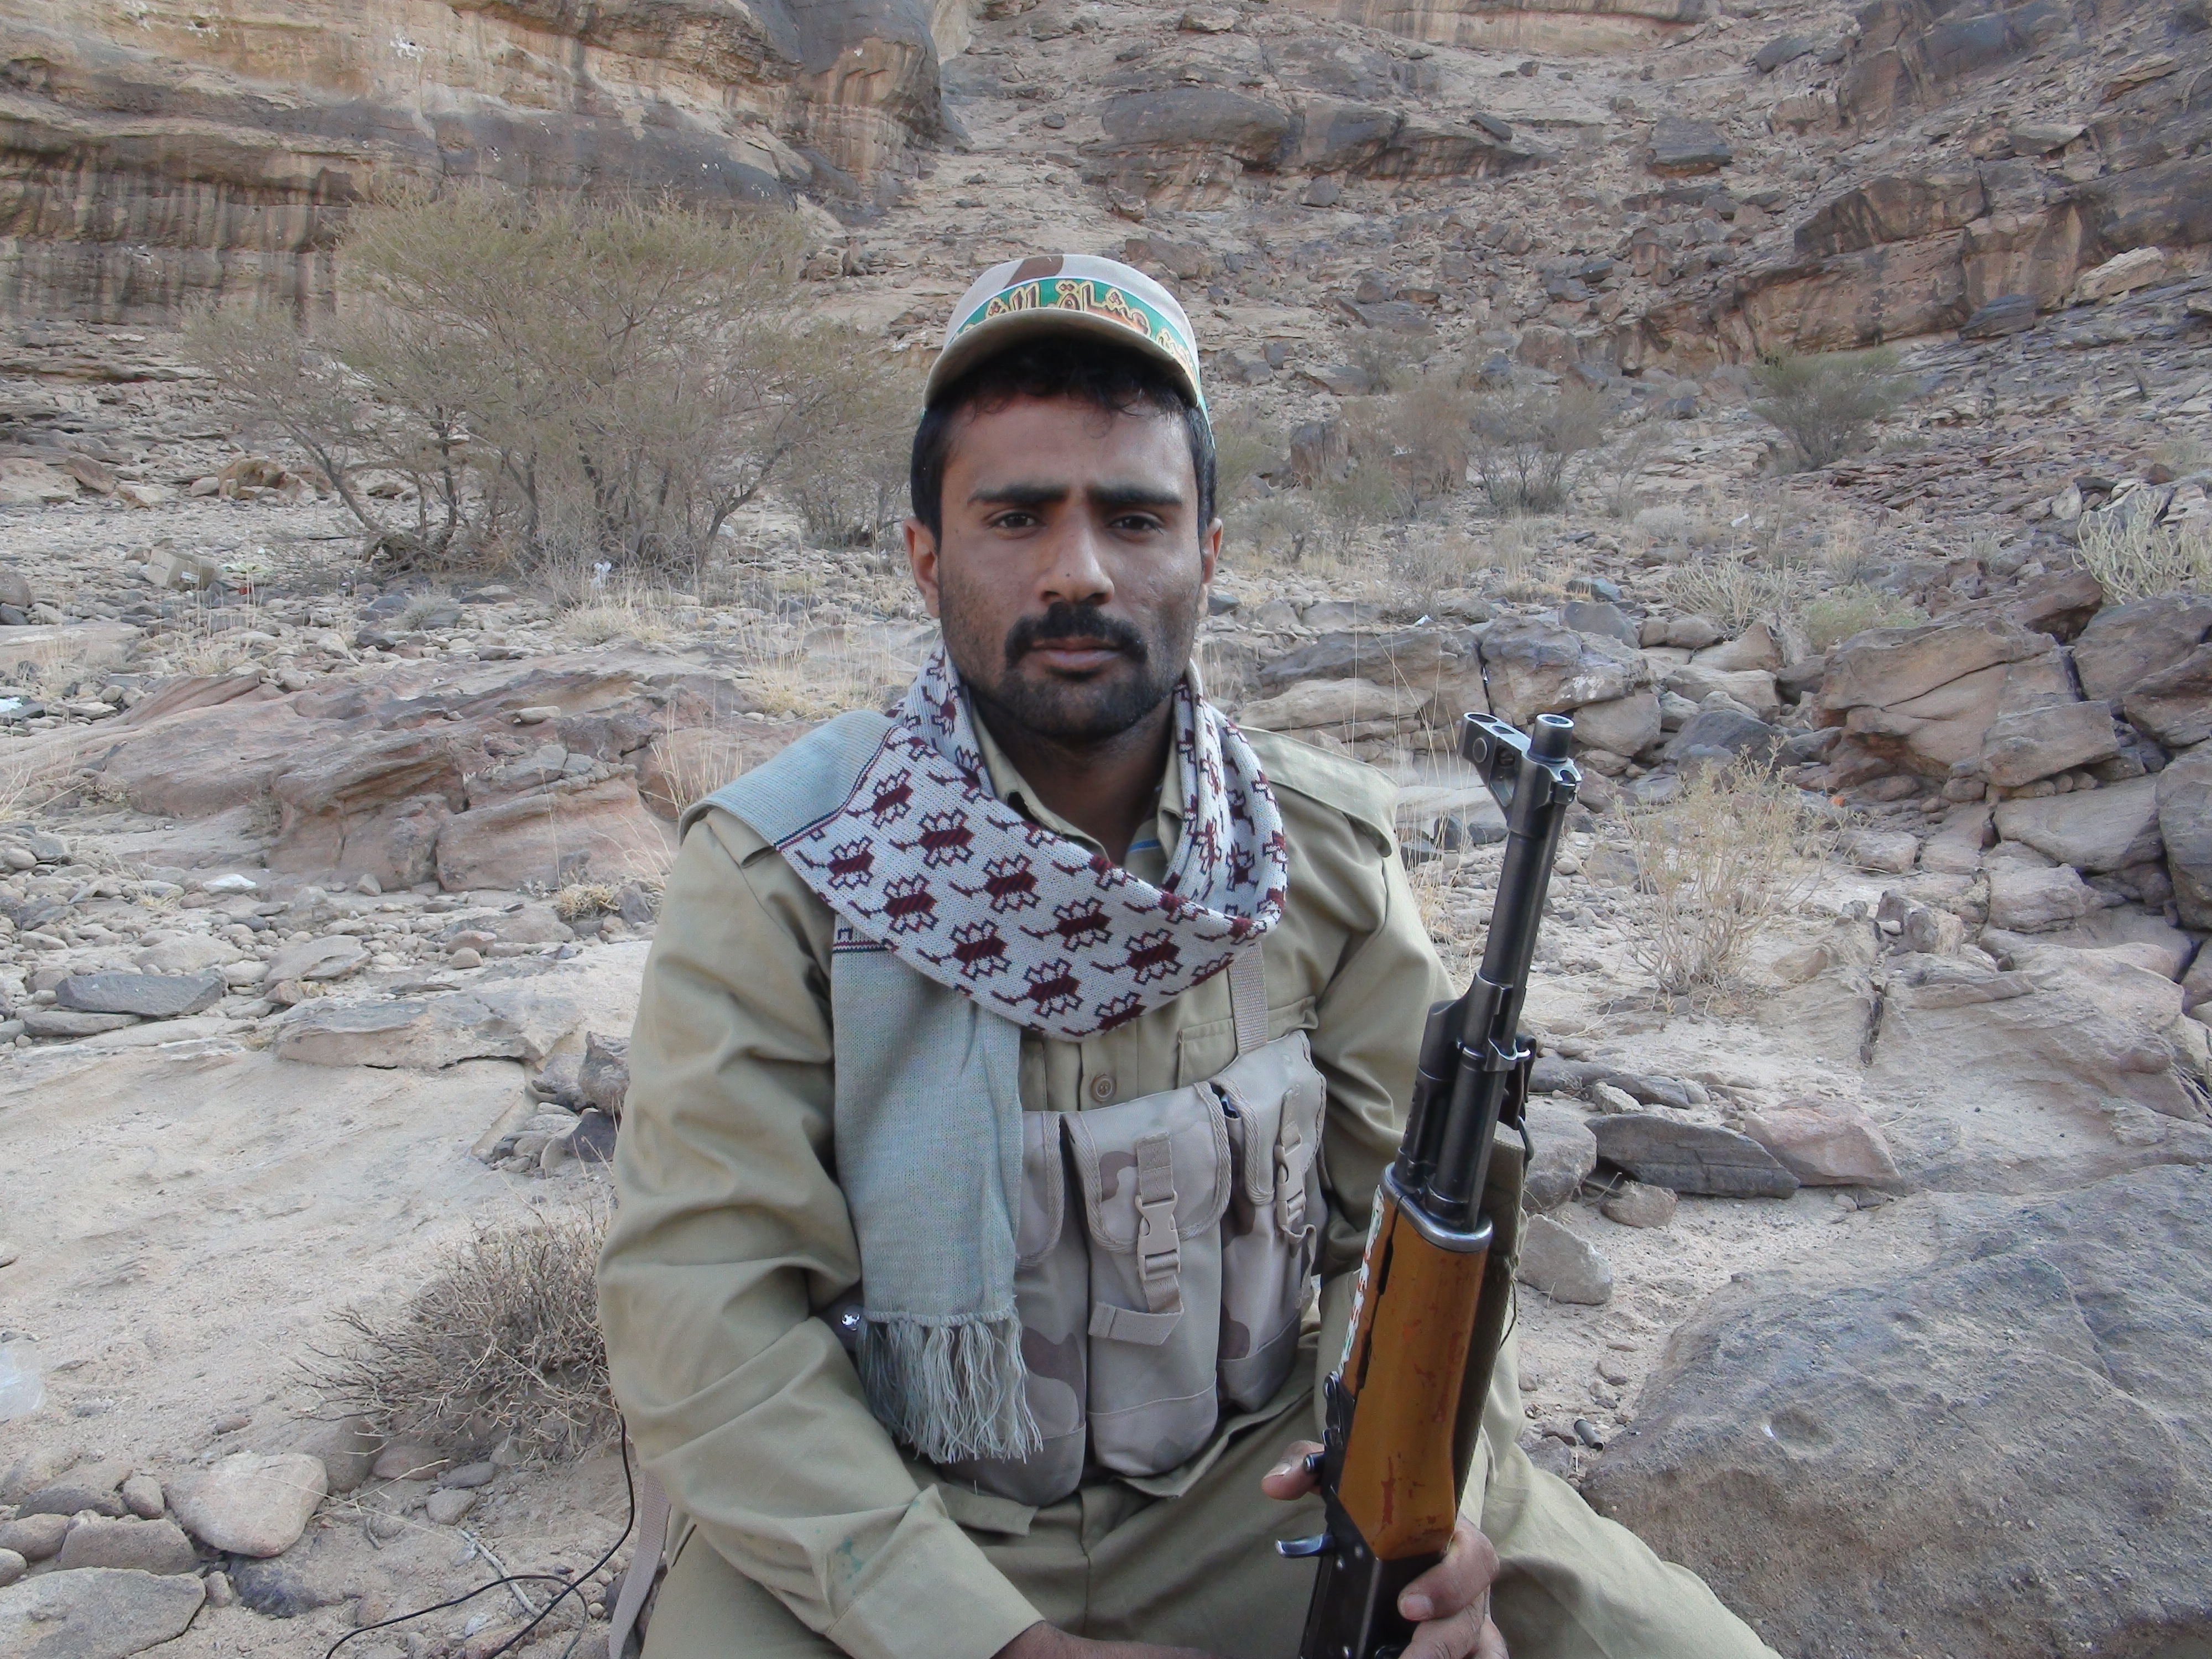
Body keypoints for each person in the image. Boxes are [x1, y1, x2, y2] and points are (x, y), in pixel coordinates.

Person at [597, 255, 1780, 1659]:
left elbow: (1404, 1243)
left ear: (1207, 552)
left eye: (1134, 518)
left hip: (1262, 1485)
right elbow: (703, 1310)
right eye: (1014, 517)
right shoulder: (786, 869)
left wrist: (1425, 1511)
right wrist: (988, 1642)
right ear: (924, 556)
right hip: (890, 1517)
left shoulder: (1314, 850)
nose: (1078, 572)